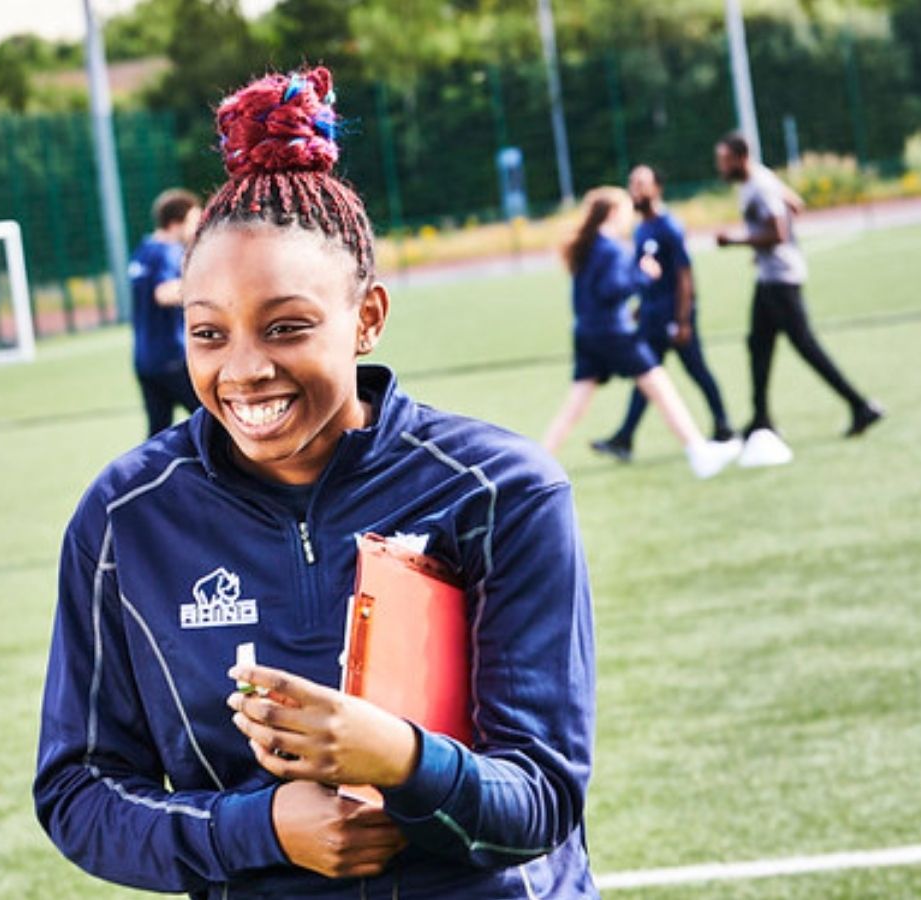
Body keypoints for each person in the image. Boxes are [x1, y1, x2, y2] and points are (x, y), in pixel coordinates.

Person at [36, 67, 600, 898]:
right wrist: (257, 828)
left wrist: (402, 760)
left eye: (287, 327)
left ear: (366, 317)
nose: (245, 369)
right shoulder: (126, 519)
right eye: (208, 333)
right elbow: (79, 793)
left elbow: (543, 796)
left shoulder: (502, 490)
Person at [538, 186, 739, 480]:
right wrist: (644, 275)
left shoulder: (589, 245)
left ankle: (539, 461)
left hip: (586, 332)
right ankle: (699, 452)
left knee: (575, 406)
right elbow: (612, 291)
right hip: (613, 333)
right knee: (660, 387)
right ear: (614, 214)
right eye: (626, 212)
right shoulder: (610, 248)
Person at [714, 133, 885, 442]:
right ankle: (761, 418)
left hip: (782, 278)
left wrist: (737, 241)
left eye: (724, 161)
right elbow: (796, 204)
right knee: (758, 345)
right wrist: (761, 248)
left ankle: (860, 405)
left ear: (741, 158)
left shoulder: (761, 186)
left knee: (805, 346)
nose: (721, 167)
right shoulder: (759, 182)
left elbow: (778, 233)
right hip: (769, 278)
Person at [591, 165, 733, 463]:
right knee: (646, 377)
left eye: (641, 184)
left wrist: (682, 319)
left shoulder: (670, 226)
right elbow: (648, 275)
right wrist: (640, 309)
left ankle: (724, 427)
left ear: (657, 188)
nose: (635, 190)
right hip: (652, 317)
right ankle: (624, 438)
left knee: (697, 370)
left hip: (674, 316)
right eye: (632, 183)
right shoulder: (641, 228)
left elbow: (683, 274)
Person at [130, 188, 204, 436]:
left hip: (145, 360)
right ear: (176, 222)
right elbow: (163, 293)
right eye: (194, 221)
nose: (197, 229)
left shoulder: (144, 249)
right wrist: (209, 289)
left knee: (157, 432)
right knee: (217, 419)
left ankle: (144, 475)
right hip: (172, 356)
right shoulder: (169, 252)